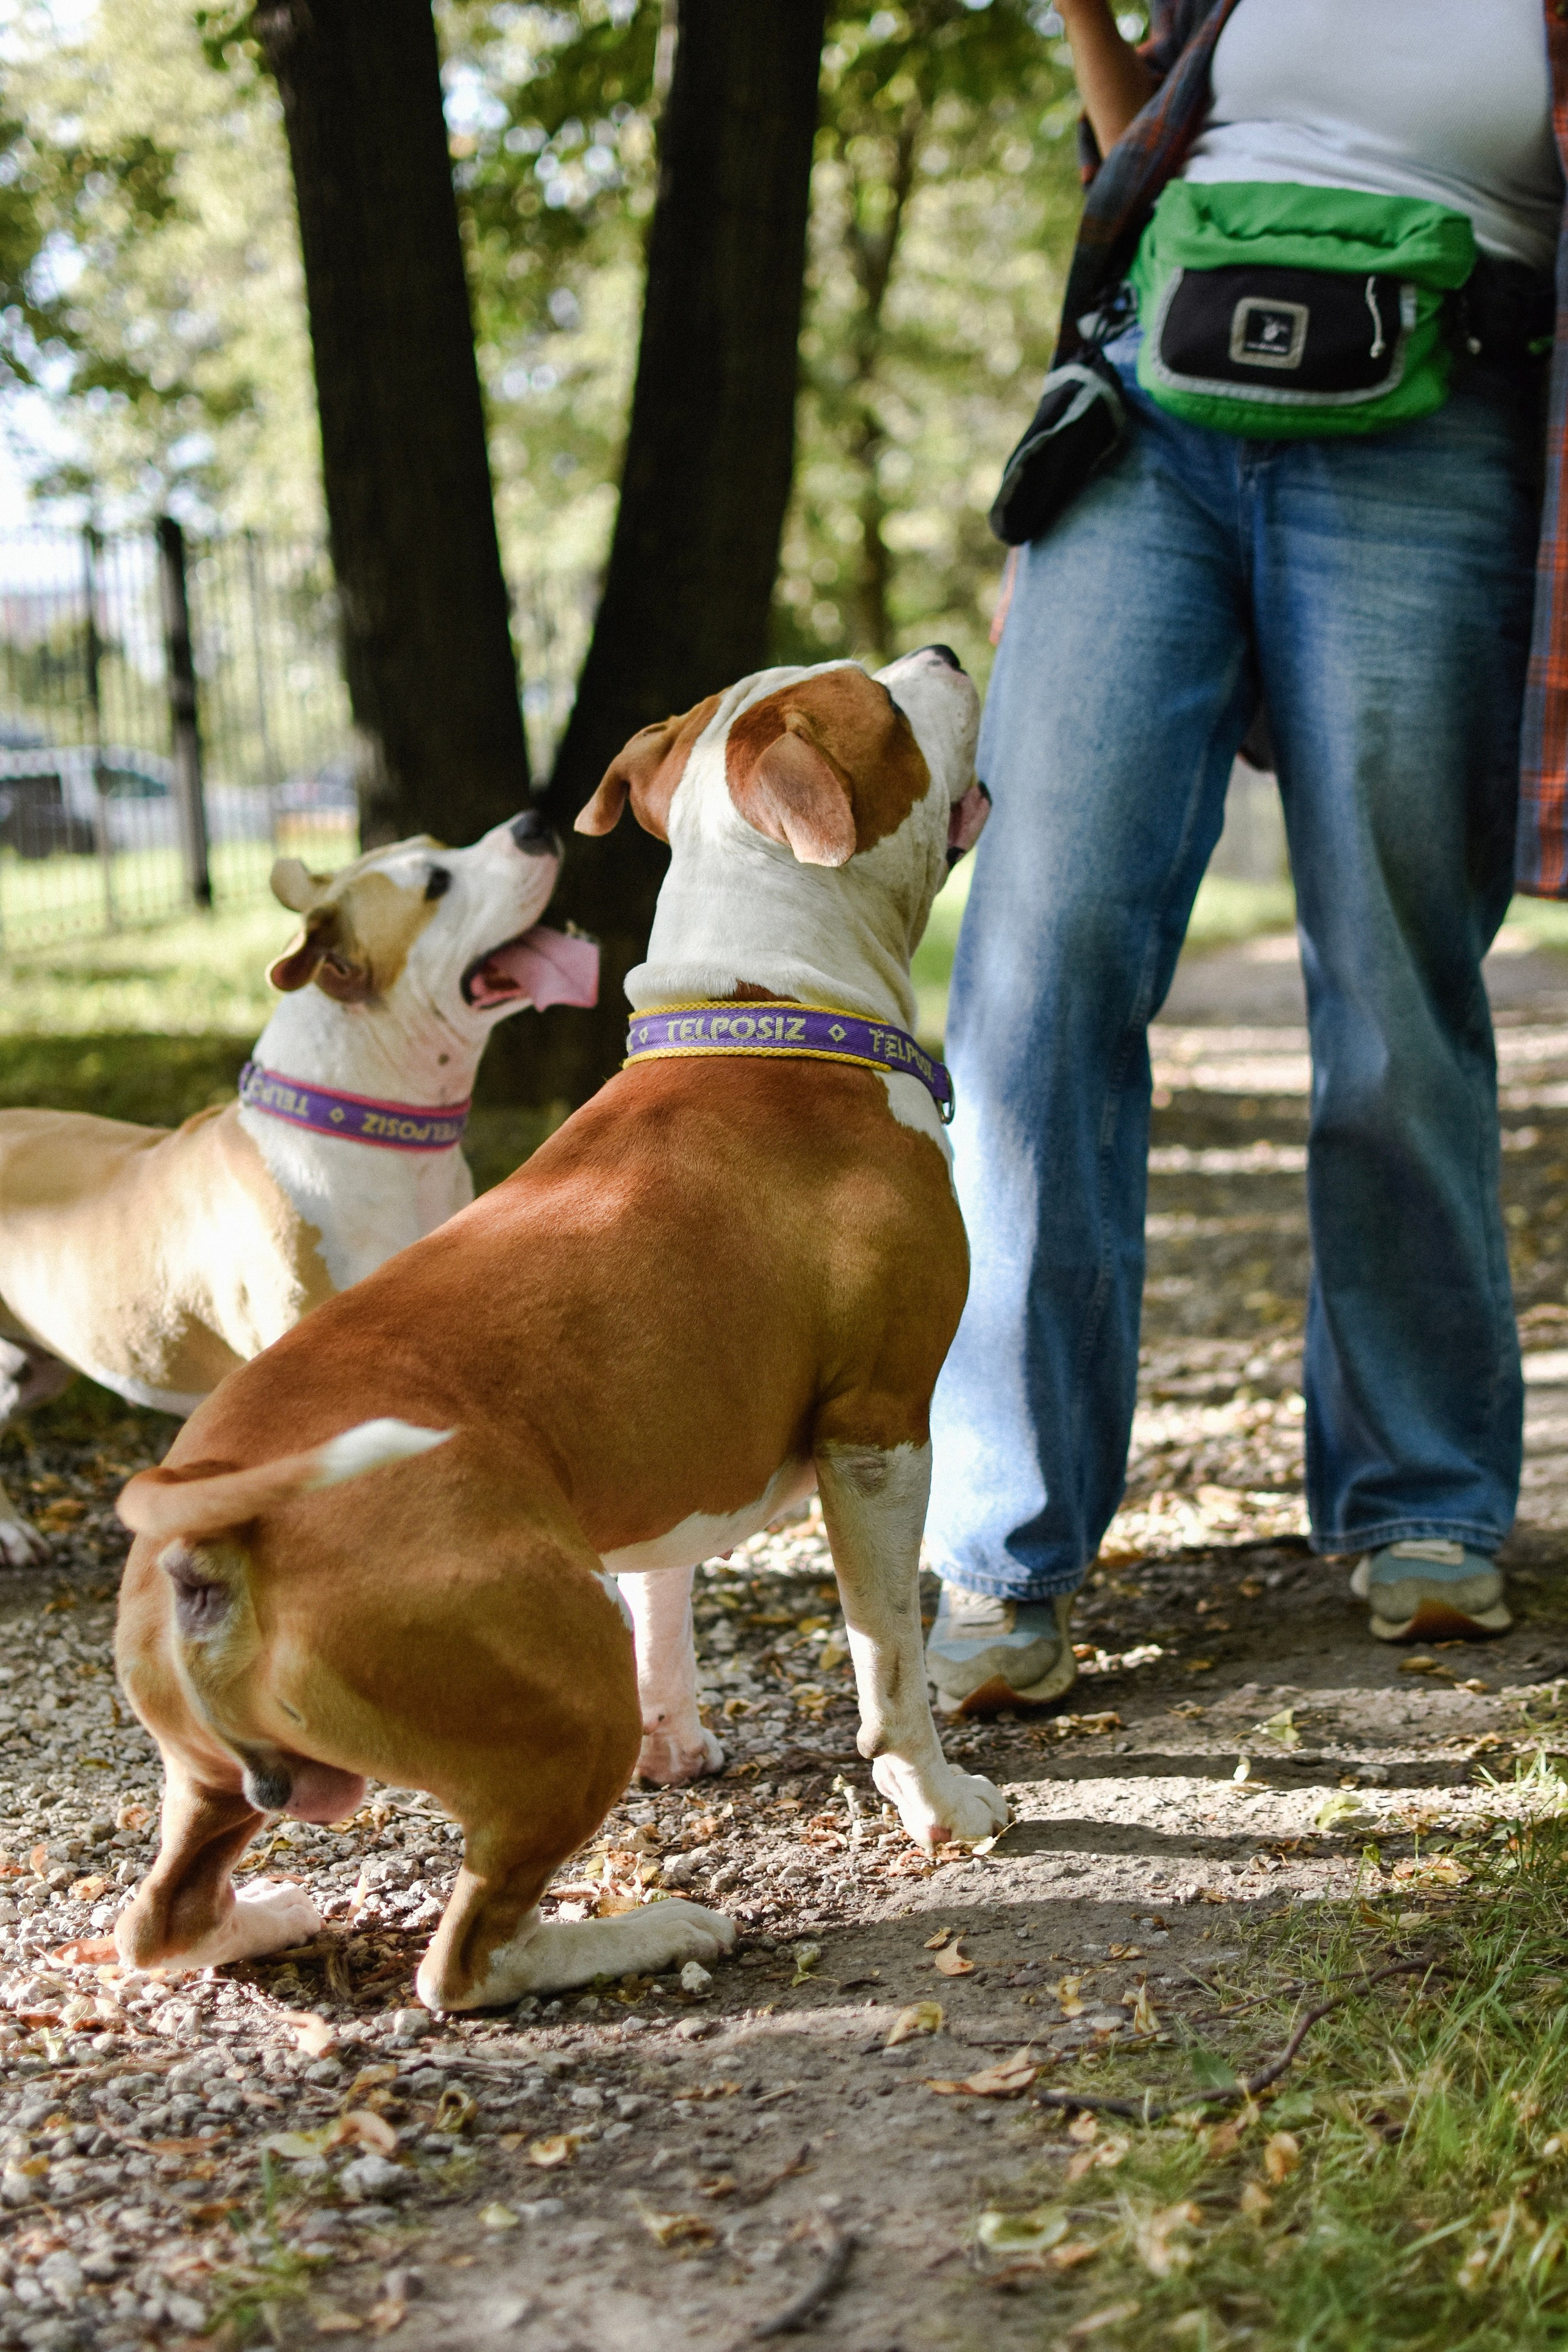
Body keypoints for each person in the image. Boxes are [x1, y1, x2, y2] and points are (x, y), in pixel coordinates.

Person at [923, 0, 1568, 1716]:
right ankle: (1001, 1542)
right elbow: (1135, 146)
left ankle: (1422, 1499)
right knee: (1037, 952)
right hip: (1158, 410)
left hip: (1442, 419)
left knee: (1393, 972)